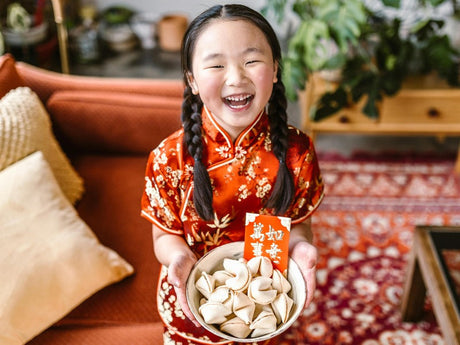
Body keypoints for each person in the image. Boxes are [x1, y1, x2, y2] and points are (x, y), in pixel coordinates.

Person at [141, 4, 324, 344]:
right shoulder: (168, 158)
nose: (236, 78)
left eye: (251, 61)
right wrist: (178, 258)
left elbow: (299, 223)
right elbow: (163, 236)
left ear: (275, 70)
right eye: (216, 64)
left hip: (265, 303)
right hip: (192, 304)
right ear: (192, 80)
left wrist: (301, 250)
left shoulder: (298, 152)